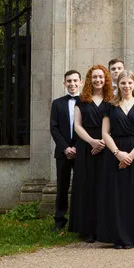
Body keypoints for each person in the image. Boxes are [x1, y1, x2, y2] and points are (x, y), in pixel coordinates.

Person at [98, 70, 134, 249]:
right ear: (118, 85)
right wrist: (117, 153)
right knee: (116, 195)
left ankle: (133, 235)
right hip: (115, 153)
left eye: (129, 83)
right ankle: (118, 236)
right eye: (123, 83)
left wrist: (132, 155)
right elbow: (105, 133)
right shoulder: (109, 105)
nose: (126, 86)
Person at [69, 65, 113, 242]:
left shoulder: (111, 100)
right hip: (86, 147)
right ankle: (87, 230)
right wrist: (92, 141)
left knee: (104, 186)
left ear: (106, 79)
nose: (98, 80)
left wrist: (103, 141)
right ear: (89, 79)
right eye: (94, 77)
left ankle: (103, 228)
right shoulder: (82, 100)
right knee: (86, 186)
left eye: (101, 77)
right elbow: (77, 125)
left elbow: (115, 124)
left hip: (106, 146)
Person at [50, 69, 82, 231]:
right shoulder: (57, 103)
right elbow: (54, 128)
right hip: (62, 152)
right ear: (64, 83)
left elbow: (86, 127)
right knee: (62, 186)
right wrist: (65, 148)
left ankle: (79, 218)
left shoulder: (85, 102)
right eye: (69, 81)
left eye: (75, 81)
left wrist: (76, 146)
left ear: (81, 83)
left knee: (80, 185)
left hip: (80, 150)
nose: (72, 84)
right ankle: (59, 218)